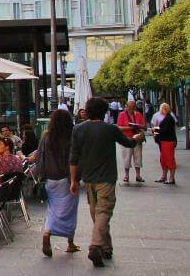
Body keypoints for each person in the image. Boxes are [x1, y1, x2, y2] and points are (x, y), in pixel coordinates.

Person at [70, 97, 142, 268]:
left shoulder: (78, 129)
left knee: (97, 214)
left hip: (89, 179)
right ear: (105, 112)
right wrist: (138, 137)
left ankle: (106, 248)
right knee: (103, 213)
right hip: (106, 179)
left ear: (87, 111)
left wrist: (74, 180)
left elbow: (73, 157)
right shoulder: (110, 129)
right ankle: (96, 246)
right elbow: (128, 142)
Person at [32, 109, 79, 257]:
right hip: (67, 179)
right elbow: (75, 159)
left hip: (50, 179)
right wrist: (75, 178)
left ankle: (48, 232)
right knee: (70, 211)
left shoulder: (46, 136)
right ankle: (70, 243)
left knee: (53, 209)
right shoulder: (71, 137)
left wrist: (40, 175)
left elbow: (39, 157)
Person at [116, 100, 146, 183]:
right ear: (127, 107)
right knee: (127, 157)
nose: (132, 108)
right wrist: (129, 128)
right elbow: (119, 127)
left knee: (138, 157)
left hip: (137, 138)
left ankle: (138, 175)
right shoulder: (122, 115)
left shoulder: (138, 114)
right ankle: (126, 175)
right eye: (130, 107)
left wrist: (137, 126)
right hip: (126, 139)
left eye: (133, 107)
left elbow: (144, 126)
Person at [155, 103, 177, 185]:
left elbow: (165, 130)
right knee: (163, 159)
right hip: (164, 141)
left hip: (168, 141)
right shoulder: (167, 117)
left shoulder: (169, 118)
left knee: (169, 159)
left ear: (164, 109)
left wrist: (156, 131)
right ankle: (164, 176)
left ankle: (171, 178)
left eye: (161, 109)